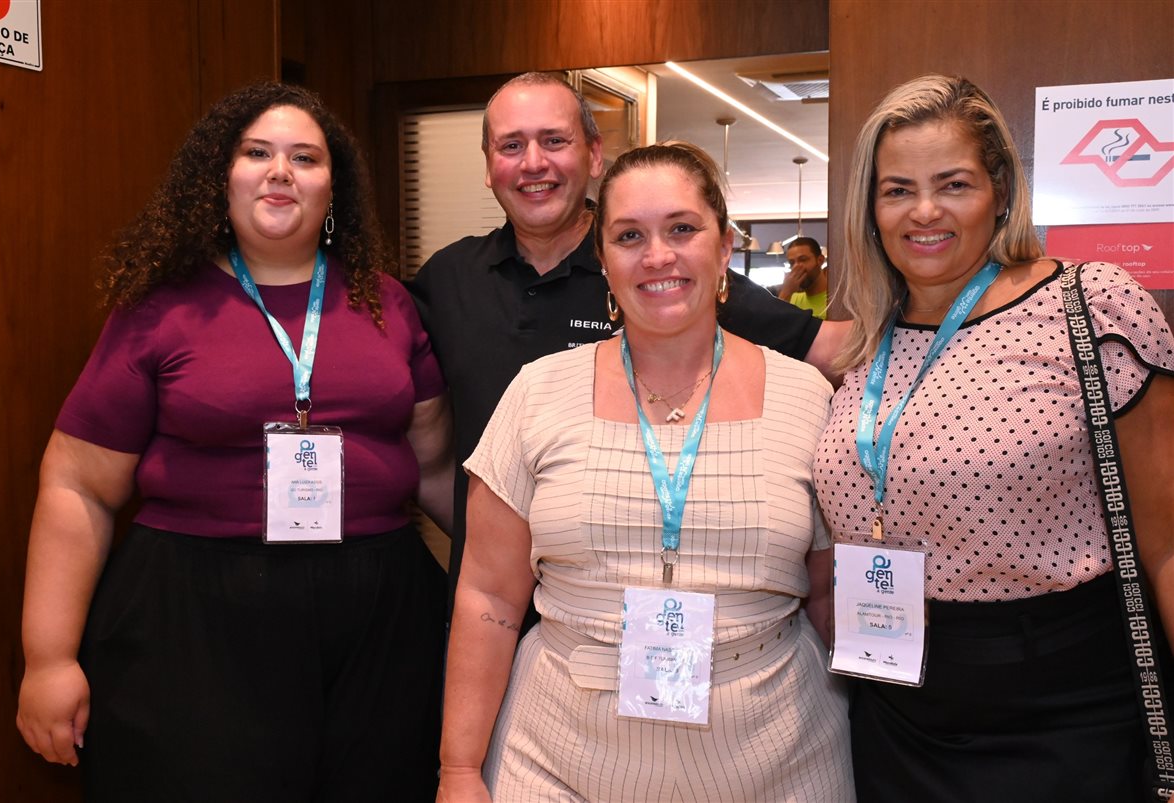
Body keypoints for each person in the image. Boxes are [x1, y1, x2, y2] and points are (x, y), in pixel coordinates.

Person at [15, 82, 450, 802]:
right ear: (220, 176)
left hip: (380, 617)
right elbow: (78, 485)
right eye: (257, 153)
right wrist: (48, 656)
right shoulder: (158, 306)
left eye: (305, 157)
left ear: (333, 186)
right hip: (193, 617)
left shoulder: (387, 301)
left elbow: (435, 468)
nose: (281, 171)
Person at [437, 142, 855, 802]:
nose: (657, 255)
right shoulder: (537, 392)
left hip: (780, 757)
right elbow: (488, 596)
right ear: (602, 261)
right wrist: (458, 771)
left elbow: (831, 590)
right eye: (629, 235)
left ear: (723, 249)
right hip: (558, 759)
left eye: (682, 229)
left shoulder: (808, 397)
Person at [814, 74, 1174, 801]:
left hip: (1059, 712)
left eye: (953, 184)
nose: (924, 212)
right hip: (891, 706)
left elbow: (1168, 544)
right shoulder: (862, 343)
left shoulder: (1090, 305)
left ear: (1001, 191)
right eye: (897, 190)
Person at [409, 72, 850, 614]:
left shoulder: (662, 276)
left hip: (640, 602)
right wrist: (509, 543)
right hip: (498, 607)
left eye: (554, 140)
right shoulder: (447, 279)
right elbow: (420, 439)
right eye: (511, 145)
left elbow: (833, 350)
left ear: (594, 155)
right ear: (487, 165)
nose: (533, 164)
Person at [777, 236, 829, 319]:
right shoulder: (791, 299)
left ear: (820, 260)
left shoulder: (836, 300)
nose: (796, 267)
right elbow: (775, 327)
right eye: (792, 263)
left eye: (803, 260)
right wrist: (785, 293)